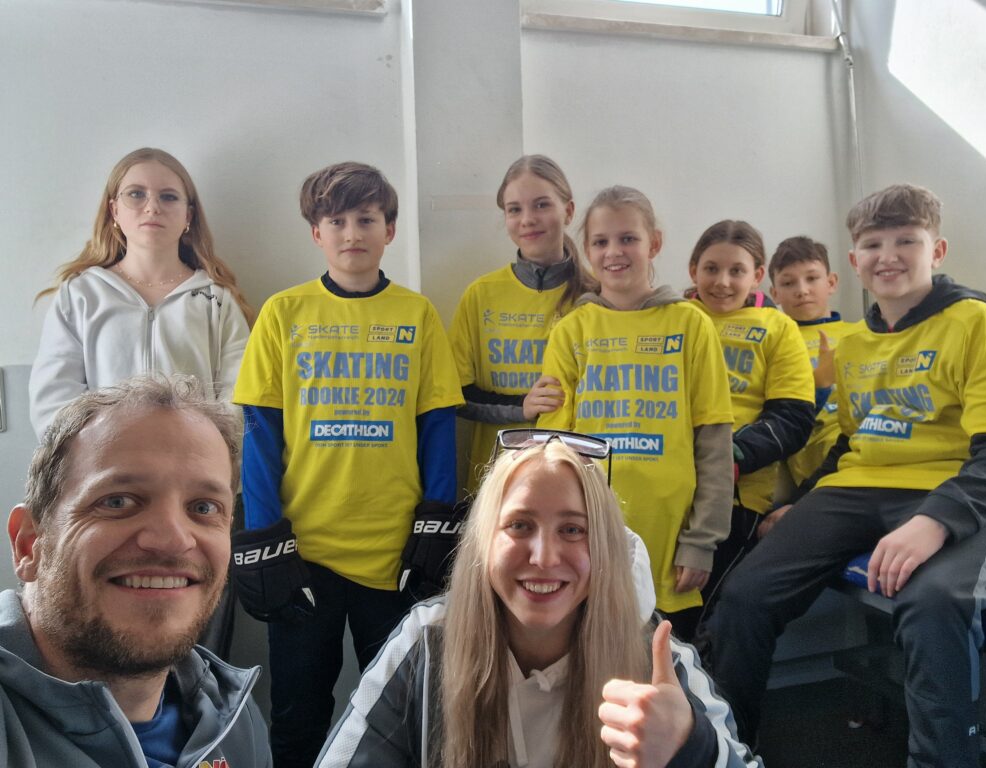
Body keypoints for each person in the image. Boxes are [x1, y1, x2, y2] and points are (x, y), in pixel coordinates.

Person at [705, 184, 986, 767]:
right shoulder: (853, 344)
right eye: (874, 244)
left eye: (907, 241)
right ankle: (729, 751)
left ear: (937, 250)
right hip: (858, 488)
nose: (888, 255)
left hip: (959, 487)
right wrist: (801, 502)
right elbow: (852, 442)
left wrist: (934, 521)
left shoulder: (977, 323)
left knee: (934, 602)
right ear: (855, 261)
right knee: (745, 596)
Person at [316, 432, 762, 768]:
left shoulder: (658, 660)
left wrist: (691, 747)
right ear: (483, 541)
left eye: (572, 529)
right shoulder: (426, 642)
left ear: (605, 546)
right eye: (520, 525)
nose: (544, 557)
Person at [231, 161, 464, 768]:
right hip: (304, 555)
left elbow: (438, 428)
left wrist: (436, 524)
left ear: (390, 230)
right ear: (316, 233)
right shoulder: (283, 313)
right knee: (297, 714)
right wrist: (265, 537)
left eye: (367, 219)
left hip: (394, 556)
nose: (352, 232)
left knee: (408, 714)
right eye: (336, 221)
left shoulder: (417, 315)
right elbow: (260, 433)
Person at [1, 375, 269, 767]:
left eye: (203, 508)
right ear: (29, 544)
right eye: (118, 501)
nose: (173, 540)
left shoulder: (236, 718)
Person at [535, 186, 735, 641]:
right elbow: (554, 454)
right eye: (601, 241)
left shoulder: (691, 324)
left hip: (671, 547)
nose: (614, 252)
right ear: (587, 251)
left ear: (654, 244)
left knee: (663, 669)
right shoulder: (571, 331)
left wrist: (701, 541)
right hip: (590, 539)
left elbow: (713, 442)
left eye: (628, 238)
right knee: (594, 669)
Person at [29, 147, 254, 440]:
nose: (152, 207)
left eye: (168, 196)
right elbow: (53, 402)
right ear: (114, 211)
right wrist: (103, 452)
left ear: (188, 215)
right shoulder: (81, 295)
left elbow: (238, 398)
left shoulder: (217, 301)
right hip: (105, 463)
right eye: (136, 194)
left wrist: (206, 453)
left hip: (193, 463)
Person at [681, 220, 815, 634]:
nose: (722, 282)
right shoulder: (672, 318)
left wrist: (729, 459)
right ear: (693, 270)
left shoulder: (778, 328)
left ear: (757, 275)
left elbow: (792, 418)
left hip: (737, 494)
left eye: (736, 270)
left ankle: (701, 675)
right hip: (669, 483)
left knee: (703, 617)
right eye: (711, 269)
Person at [449, 155, 596, 487]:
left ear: (568, 211)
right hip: (497, 481)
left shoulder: (595, 297)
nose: (528, 219)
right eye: (515, 209)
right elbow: (456, 395)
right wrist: (521, 408)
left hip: (576, 480)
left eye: (541, 205)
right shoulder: (481, 294)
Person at [766, 236, 860, 504]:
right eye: (788, 283)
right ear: (774, 293)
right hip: (819, 452)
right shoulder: (772, 340)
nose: (802, 290)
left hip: (872, 437)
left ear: (831, 282)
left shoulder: (861, 333)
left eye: (812, 278)